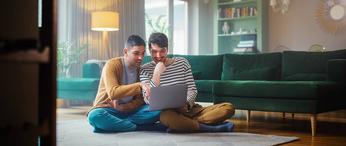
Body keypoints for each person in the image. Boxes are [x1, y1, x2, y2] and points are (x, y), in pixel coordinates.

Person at [140, 32, 235, 133]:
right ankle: (208, 127)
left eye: (162, 51)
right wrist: (156, 74)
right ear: (149, 51)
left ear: (167, 49)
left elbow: (192, 89)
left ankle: (183, 125)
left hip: (190, 109)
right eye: (154, 51)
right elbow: (148, 100)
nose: (158, 55)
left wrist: (187, 104)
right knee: (165, 117)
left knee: (228, 108)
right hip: (169, 113)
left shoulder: (182, 62)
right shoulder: (145, 70)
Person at [87, 35, 166, 133]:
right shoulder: (112, 65)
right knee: (94, 116)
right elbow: (113, 92)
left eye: (142, 53)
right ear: (125, 52)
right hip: (109, 110)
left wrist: (123, 108)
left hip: (130, 112)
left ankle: (117, 125)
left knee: (159, 108)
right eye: (136, 53)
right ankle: (139, 127)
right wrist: (140, 85)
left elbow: (140, 100)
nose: (140, 57)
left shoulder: (141, 70)